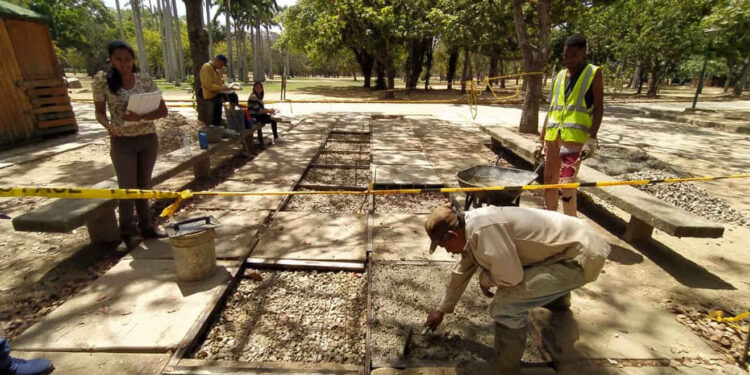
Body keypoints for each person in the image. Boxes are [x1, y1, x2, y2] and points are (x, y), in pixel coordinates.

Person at [423, 204, 609, 374]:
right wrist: (441, 311)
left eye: (443, 245)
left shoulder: (483, 231)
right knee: (531, 283)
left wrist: (485, 279)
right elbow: (461, 273)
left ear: (452, 235)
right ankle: (557, 314)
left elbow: (510, 277)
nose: (447, 251)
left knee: (507, 304)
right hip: (571, 246)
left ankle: (503, 369)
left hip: (579, 256)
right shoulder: (470, 228)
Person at [93, 41, 168, 249]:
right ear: (111, 60)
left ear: (132, 60)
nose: (124, 64)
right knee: (127, 188)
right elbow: (99, 111)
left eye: (127, 59)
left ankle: (147, 227)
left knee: (143, 185)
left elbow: (163, 111)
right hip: (121, 141)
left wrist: (139, 117)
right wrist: (107, 125)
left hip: (147, 138)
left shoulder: (144, 80)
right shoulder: (102, 81)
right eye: (119, 59)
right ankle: (126, 233)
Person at [535, 34, 604, 216]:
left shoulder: (593, 73)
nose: (569, 59)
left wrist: (591, 139)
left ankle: (569, 223)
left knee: (567, 184)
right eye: (566, 55)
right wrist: (539, 139)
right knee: (549, 180)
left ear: (583, 53)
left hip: (573, 142)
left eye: (574, 55)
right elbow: (552, 110)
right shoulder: (559, 76)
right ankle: (550, 219)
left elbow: (598, 108)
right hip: (552, 137)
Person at [200, 55, 239, 126]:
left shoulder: (216, 70)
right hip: (211, 94)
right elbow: (209, 85)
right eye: (221, 64)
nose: (222, 67)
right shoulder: (207, 67)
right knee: (230, 97)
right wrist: (221, 88)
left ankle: (230, 115)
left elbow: (219, 83)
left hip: (217, 92)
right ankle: (228, 117)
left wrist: (227, 86)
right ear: (216, 61)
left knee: (233, 96)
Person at [247, 82, 283, 147]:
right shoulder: (253, 97)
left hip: (258, 115)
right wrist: (268, 111)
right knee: (273, 120)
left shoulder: (258, 96)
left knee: (272, 119)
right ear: (254, 88)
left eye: (260, 87)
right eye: (257, 87)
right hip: (254, 117)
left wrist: (269, 110)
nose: (259, 89)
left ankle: (273, 138)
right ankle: (275, 137)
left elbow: (261, 109)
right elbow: (258, 110)